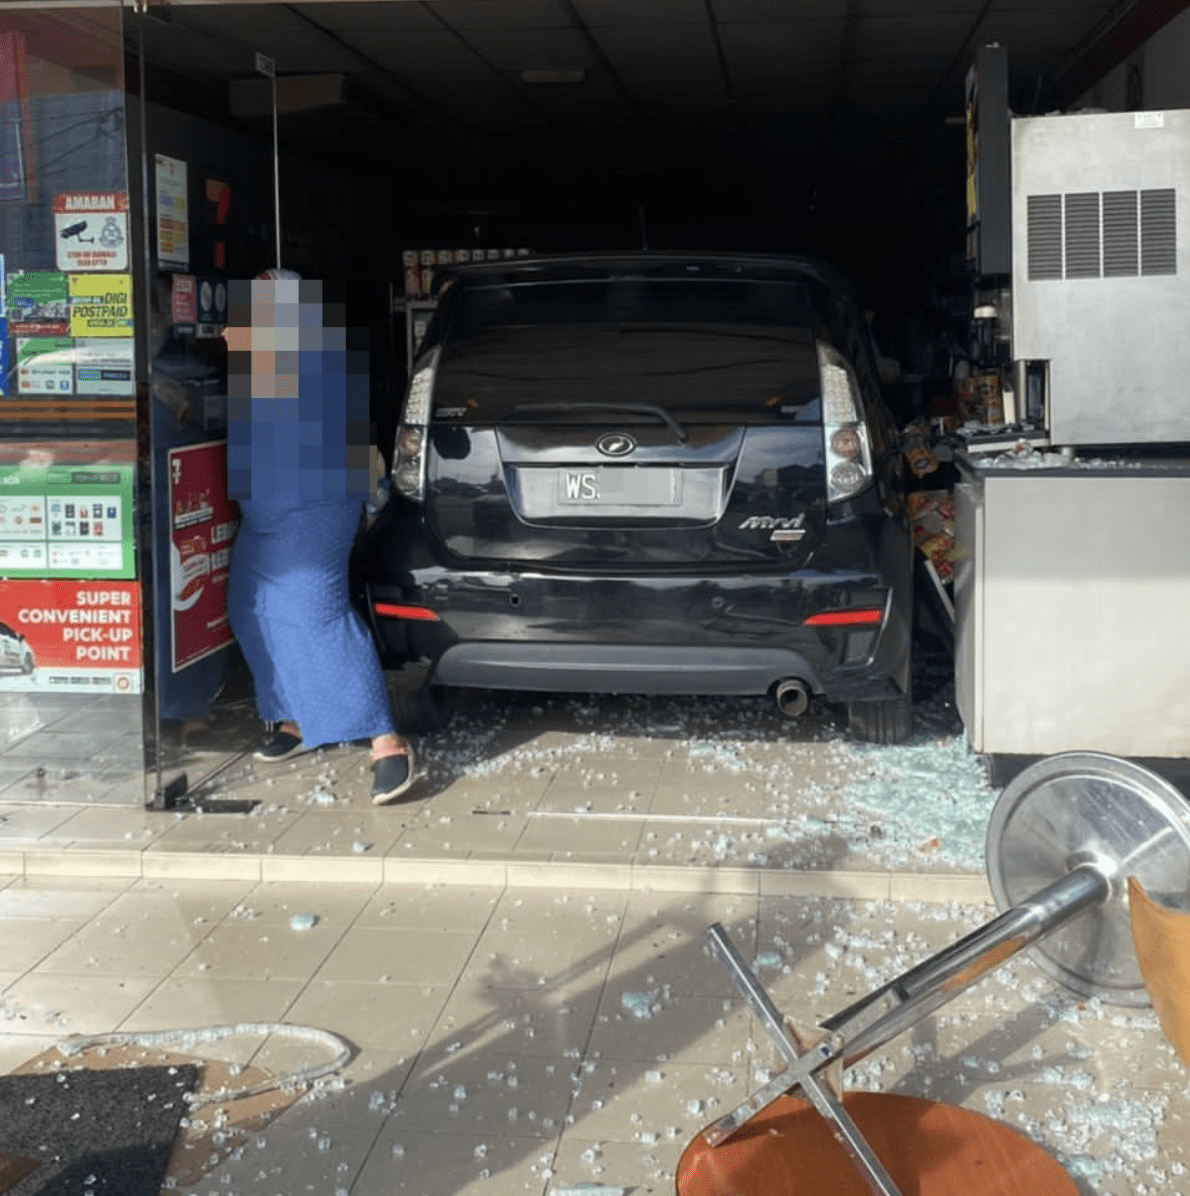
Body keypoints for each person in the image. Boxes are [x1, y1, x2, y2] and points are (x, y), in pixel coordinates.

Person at [223, 268, 415, 805]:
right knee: (248, 608)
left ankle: (386, 740)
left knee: (315, 613)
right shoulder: (271, 354)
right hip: (267, 509)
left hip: (314, 508)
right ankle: (298, 719)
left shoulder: (314, 357)